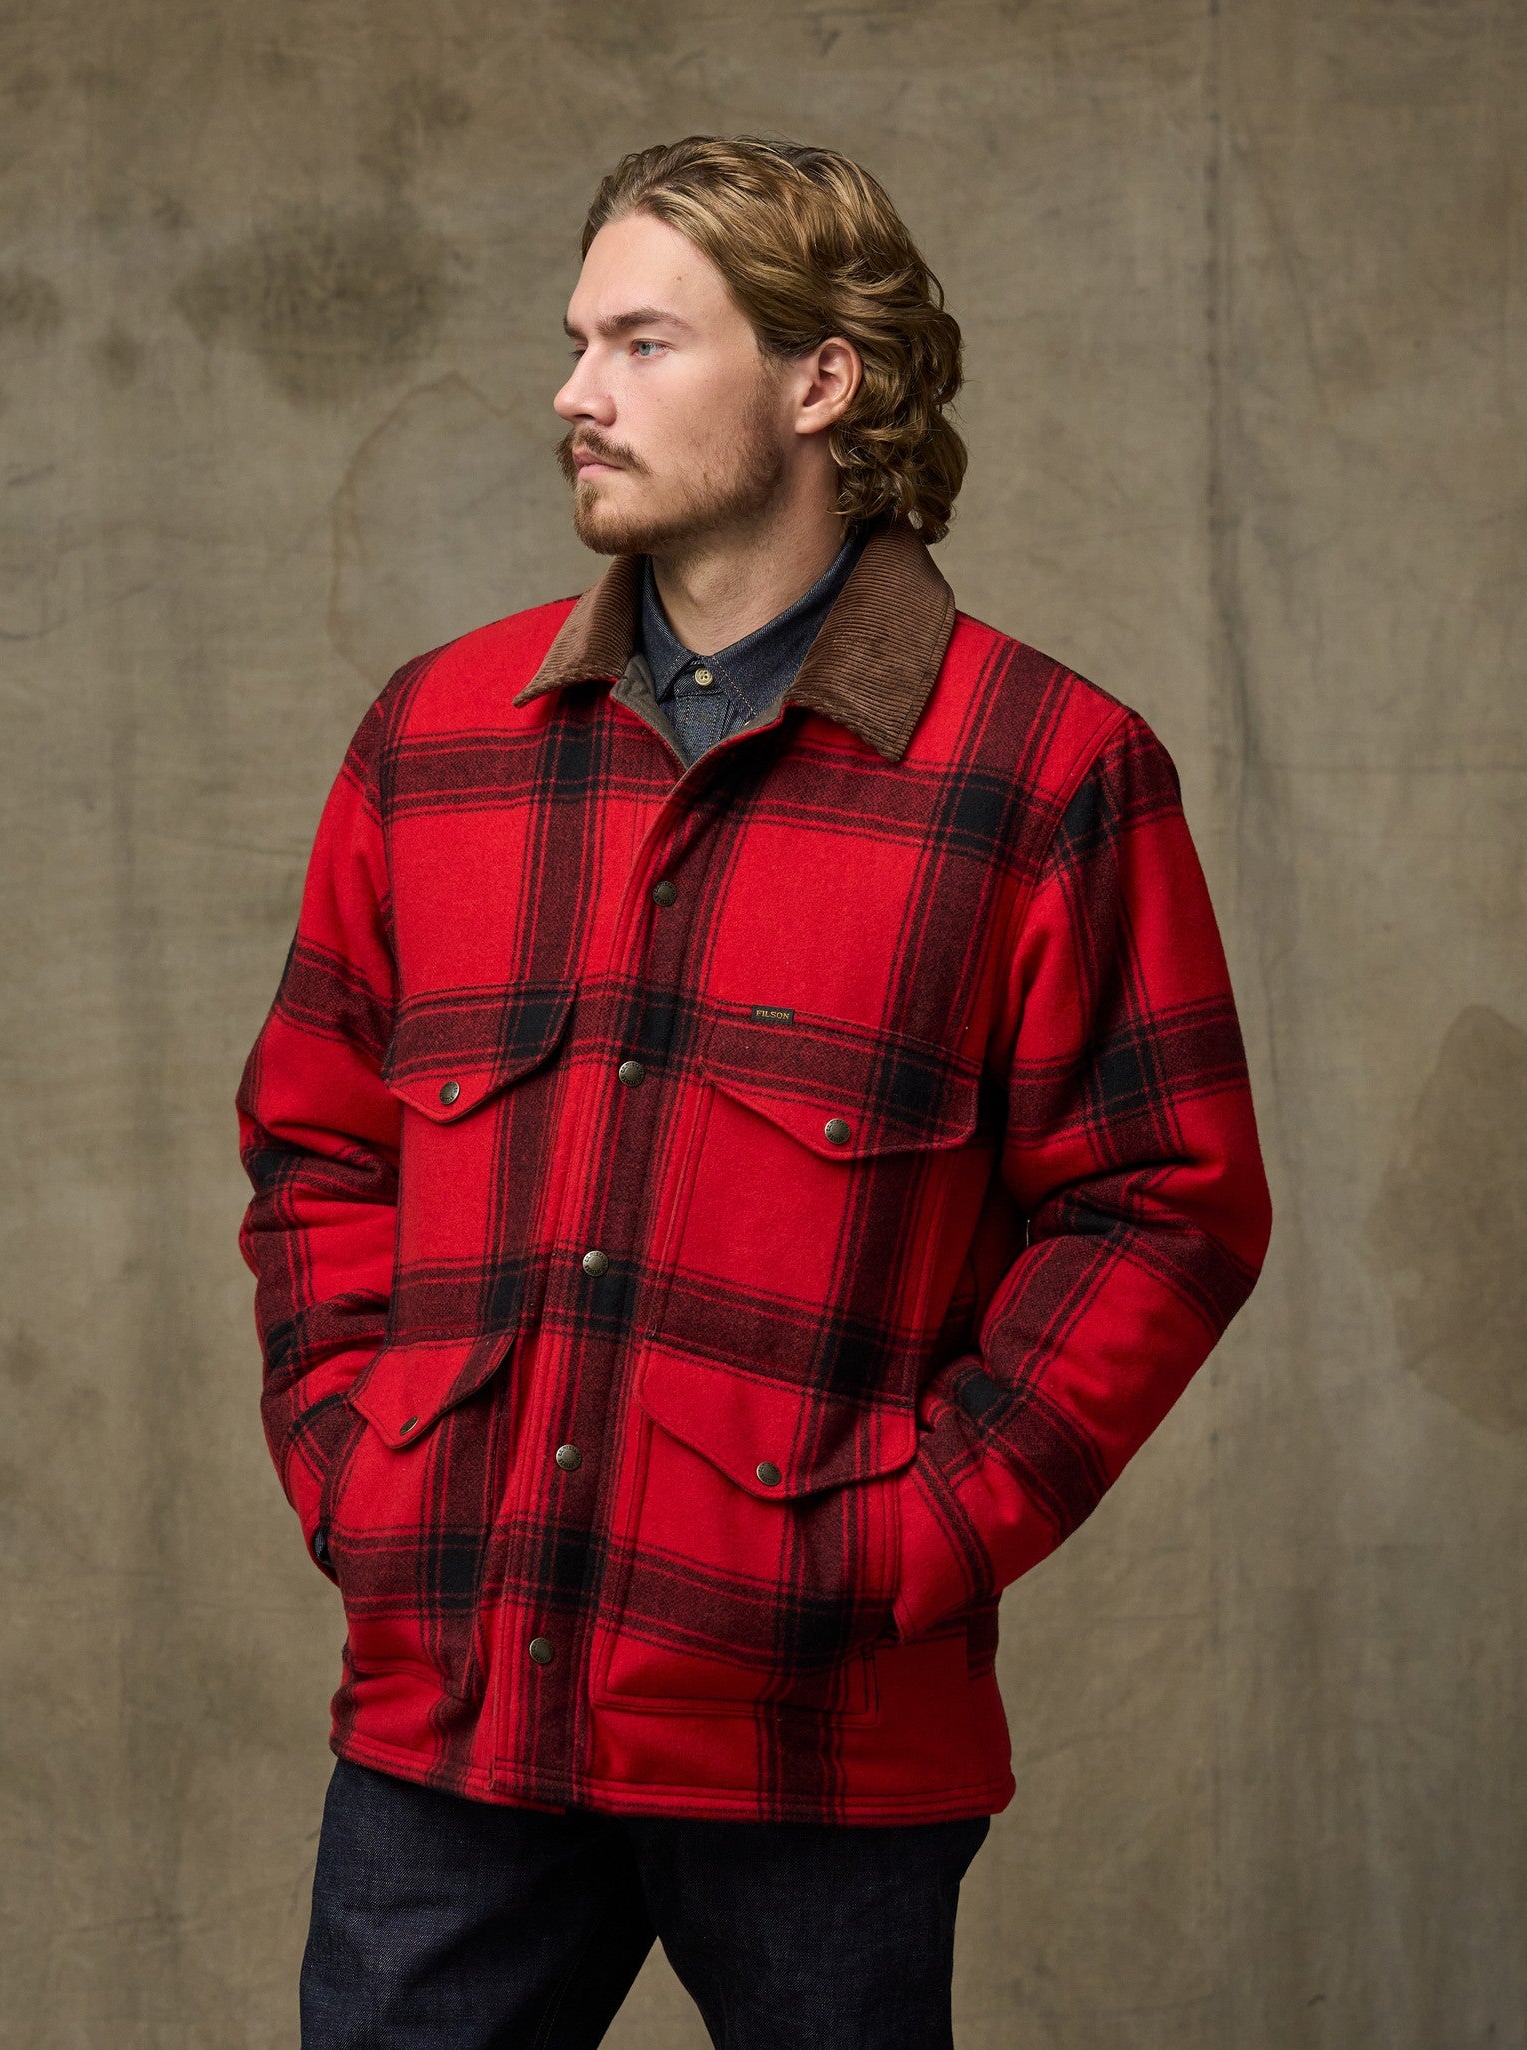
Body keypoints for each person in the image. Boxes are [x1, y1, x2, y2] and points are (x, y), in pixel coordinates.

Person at [235, 134, 1273, 2050]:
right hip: (453, 1704)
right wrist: (358, 1466)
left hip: (821, 1731)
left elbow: (1167, 1201)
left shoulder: (1044, 773)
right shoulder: (436, 740)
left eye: (643, 343)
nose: (576, 392)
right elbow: (316, 1144)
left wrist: (909, 1535)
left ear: (821, 380)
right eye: (577, 341)